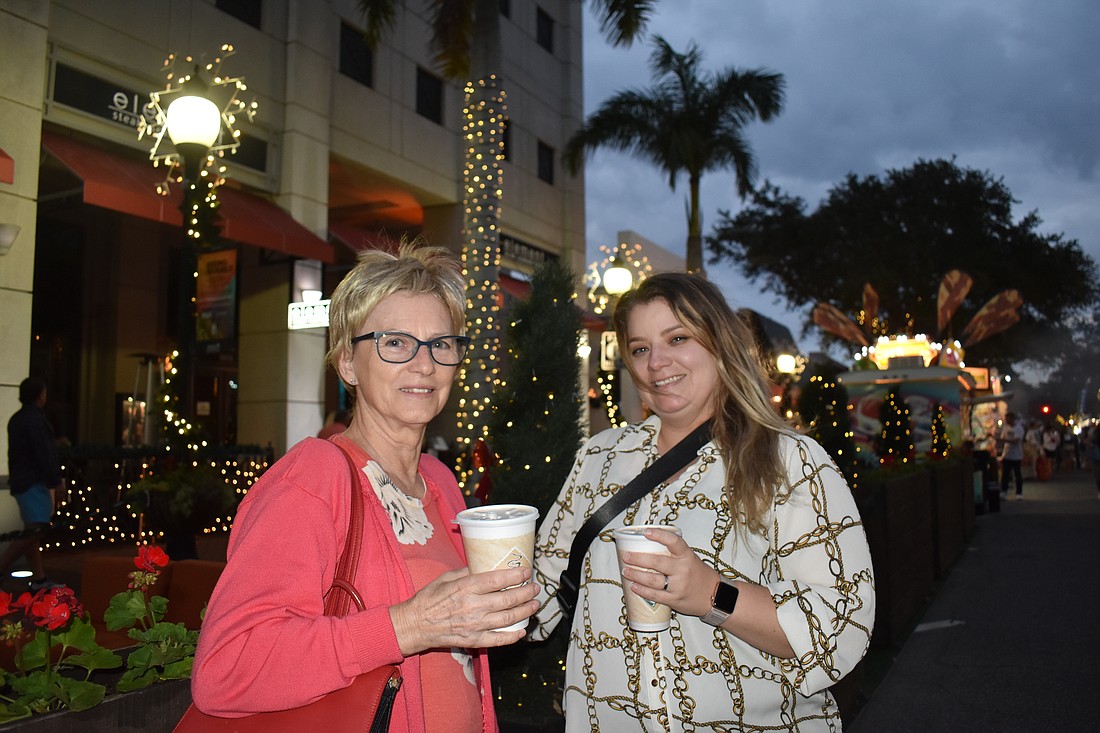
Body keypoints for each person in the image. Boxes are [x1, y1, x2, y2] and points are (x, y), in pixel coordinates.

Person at [192, 244, 539, 730]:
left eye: (441, 344)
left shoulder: (438, 480)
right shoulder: (314, 478)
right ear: (347, 364)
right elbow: (225, 668)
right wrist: (409, 625)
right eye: (395, 342)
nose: (425, 364)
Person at [530, 273, 875, 732]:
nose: (656, 362)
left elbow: (841, 626)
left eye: (678, 338)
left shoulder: (790, 461)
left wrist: (712, 594)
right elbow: (544, 588)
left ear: (721, 344)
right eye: (640, 348)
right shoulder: (599, 456)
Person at [2, 377, 63, 590]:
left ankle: (39, 578)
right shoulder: (35, 420)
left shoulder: (17, 419)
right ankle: (4, 568)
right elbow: (44, 453)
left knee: (32, 530)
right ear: (39, 395)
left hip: (21, 480)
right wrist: (56, 481)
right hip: (33, 482)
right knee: (36, 530)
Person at [999, 412, 1025, 499]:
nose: (1006, 420)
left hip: (1016, 455)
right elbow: (1002, 438)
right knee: (1005, 474)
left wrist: (1003, 440)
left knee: (1017, 475)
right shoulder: (1005, 428)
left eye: (1008, 419)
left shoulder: (1019, 429)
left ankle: (1019, 493)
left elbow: (1016, 441)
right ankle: (1004, 492)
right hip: (1007, 454)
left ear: (1012, 418)